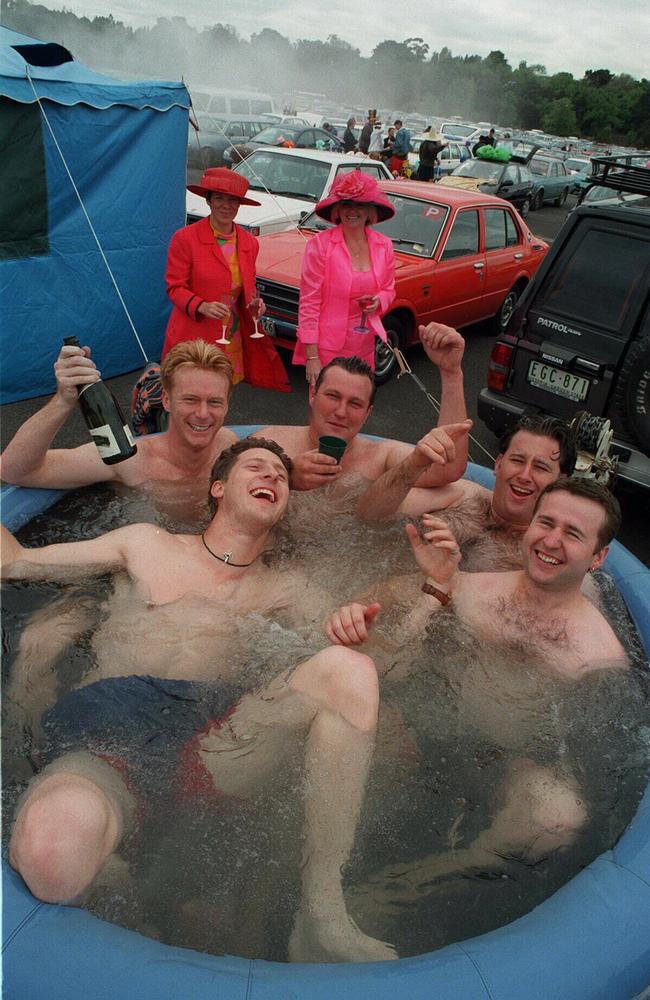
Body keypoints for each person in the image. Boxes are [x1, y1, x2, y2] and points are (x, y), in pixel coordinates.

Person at [2, 439, 395, 963]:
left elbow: (381, 674)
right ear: (218, 487)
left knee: (349, 672)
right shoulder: (145, 544)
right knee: (53, 853)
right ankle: (125, 894)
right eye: (257, 467)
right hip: (107, 734)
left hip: (212, 742)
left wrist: (372, 620)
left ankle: (321, 910)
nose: (272, 477)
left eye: (281, 475)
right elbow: (17, 564)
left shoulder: (290, 588)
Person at [326, 478, 627, 908]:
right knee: (356, 727)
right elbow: (382, 643)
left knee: (557, 819)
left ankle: (398, 890)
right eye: (547, 522)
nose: (552, 540)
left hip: (506, 762)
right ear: (529, 527)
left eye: (573, 533)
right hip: (421, 727)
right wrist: (364, 615)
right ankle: (325, 874)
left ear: (599, 557)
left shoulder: (597, 657)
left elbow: (593, 756)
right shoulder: (467, 589)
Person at [0, 339, 238, 506]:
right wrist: (63, 400)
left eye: (215, 402)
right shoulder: (128, 458)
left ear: (227, 405)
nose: (203, 413)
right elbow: (15, 470)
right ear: (166, 399)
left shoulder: (233, 451)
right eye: (191, 400)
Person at [259, 323, 471, 493]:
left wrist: (451, 373)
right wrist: (288, 474)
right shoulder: (272, 444)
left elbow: (448, 469)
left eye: (355, 404)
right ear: (312, 394)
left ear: (368, 412)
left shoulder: (380, 459)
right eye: (333, 396)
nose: (341, 412)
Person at [358, 412, 576, 571]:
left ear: (561, 482)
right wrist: (413, 464)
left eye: (540, 467)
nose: (524, 475)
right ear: (499, 464)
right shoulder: (458, 496)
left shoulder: (549, 553)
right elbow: (369, 515)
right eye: (517, 460)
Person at [161, 167, 289, 393]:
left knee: (220, 397)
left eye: (233, 200)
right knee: (188, 397)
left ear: (239, 205)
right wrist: (202, 305)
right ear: (208, 200)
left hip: (230, 336)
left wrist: (256, 305)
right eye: (219, 198)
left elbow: (245, 290)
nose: (226, 206)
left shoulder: (250, 243)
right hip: (193, 337)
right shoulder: (185, 239)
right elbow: (175, 288)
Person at [292, 171, 396, 381]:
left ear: (370, 211)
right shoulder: (320, 246)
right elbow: (309, 303)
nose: (352, 211)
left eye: (360, 205)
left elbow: (389, 289)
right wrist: (312, 357)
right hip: (327, 347)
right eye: (347, 204)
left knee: (357, 405)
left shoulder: (384, 245)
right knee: (328, 408)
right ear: (337, 210)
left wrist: (379, 302)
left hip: (365, 343)